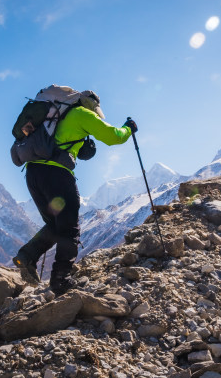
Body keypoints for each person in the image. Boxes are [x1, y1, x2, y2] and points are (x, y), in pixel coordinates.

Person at [13, 91, 138, 295]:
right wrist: (128, 128)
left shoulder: (54, 115)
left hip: (33, 173)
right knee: (69, 229)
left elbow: (60, 141)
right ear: (90, 106)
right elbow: (113, 137)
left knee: (55, 225)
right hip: (57, 176)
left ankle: (26, 256)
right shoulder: (82, 114)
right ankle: (61, 280)